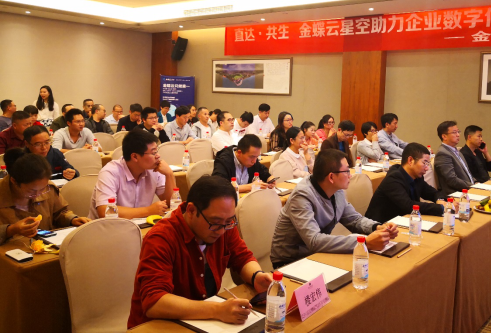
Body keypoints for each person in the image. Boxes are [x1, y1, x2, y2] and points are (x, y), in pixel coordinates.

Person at [127, 175, 273, 328]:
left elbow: (242, 257)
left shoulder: (223, 224)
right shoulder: (161, 238)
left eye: (228, 221)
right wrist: (217, 310)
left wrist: (256, 276)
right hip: (158, 326)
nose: (221, 231)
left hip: (200, 320)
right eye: (215, 223)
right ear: (191, 210)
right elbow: (155, 302)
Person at [270, 149, 399, 267]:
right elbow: (314, 241)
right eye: (346, 171)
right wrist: (364, 242)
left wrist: (377, 227)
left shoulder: (336, 190)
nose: (350, 175)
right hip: (291, 261)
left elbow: (354, 220)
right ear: (331, 177)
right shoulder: (302, 196)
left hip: (317, 253)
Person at [0, 148, 90, 245]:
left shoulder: (49, 187)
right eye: (32, 190)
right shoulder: (3, 193)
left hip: (45, 248)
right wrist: (11, 230)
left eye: (42, 189)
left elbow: (59, 212)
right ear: (14, 181)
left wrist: (72, 219)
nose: (38, 195)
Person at [88, 129, 175, 219]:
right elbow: (105, 211)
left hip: (141, 224)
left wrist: (169, 174)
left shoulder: (154, 169)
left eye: (157, 151)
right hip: (107, 226)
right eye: (153, 152)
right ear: (135, 156)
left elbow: (170, 203)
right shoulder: (110, 172)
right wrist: (148, 211)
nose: (158, 156)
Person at [365, 143, 457, 223]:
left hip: (404, 222)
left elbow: (432, 193)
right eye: (424, 163)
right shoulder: (393, 179)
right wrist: (441, 208)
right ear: (410, 160)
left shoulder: (417, 176)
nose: (427, 168)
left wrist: (441, 200)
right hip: (381, 226)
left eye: (428, 163)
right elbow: (408, 206)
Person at [434, 120, 474, 199]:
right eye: (454, 132)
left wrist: (476, 182)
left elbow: (468, 173)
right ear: (444, 136)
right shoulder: (443, 153)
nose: (458, 135)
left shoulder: (456, 150)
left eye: (458, 132)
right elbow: (451, 180)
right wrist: (473, 186)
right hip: (455, 195)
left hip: (467, 190)